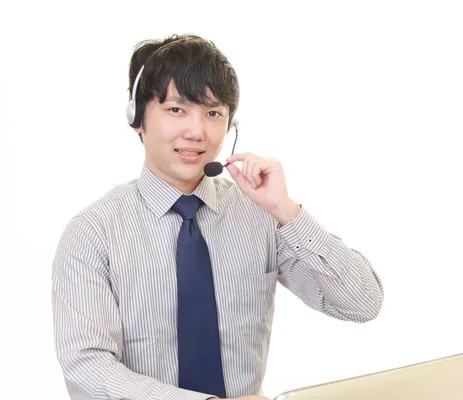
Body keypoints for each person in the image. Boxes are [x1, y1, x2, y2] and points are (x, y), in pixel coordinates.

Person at [51, 34, 384, 400]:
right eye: (176, 109)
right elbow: (88, 367)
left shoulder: (259, 213)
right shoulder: (93, 233)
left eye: (213, 113)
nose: (197, 132)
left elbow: (362, 304)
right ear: (137, 118)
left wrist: (286, 211)